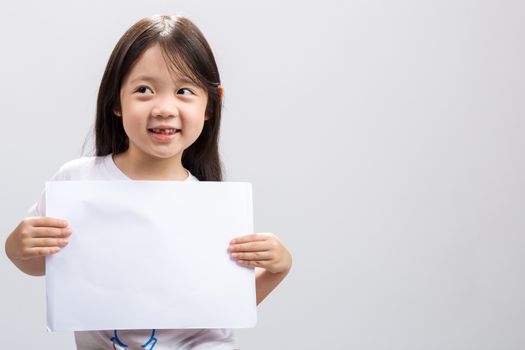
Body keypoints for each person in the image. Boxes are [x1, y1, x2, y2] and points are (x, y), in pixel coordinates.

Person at [4, 14, 292, 350]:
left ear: (211, 104)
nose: (164, 108)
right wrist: (16, 246)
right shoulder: (77, 182)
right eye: (144, 90)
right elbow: (38, 263)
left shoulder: (212, 206)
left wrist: (278, 269)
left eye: (184, 90)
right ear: (115, 100)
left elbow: (220, 310)